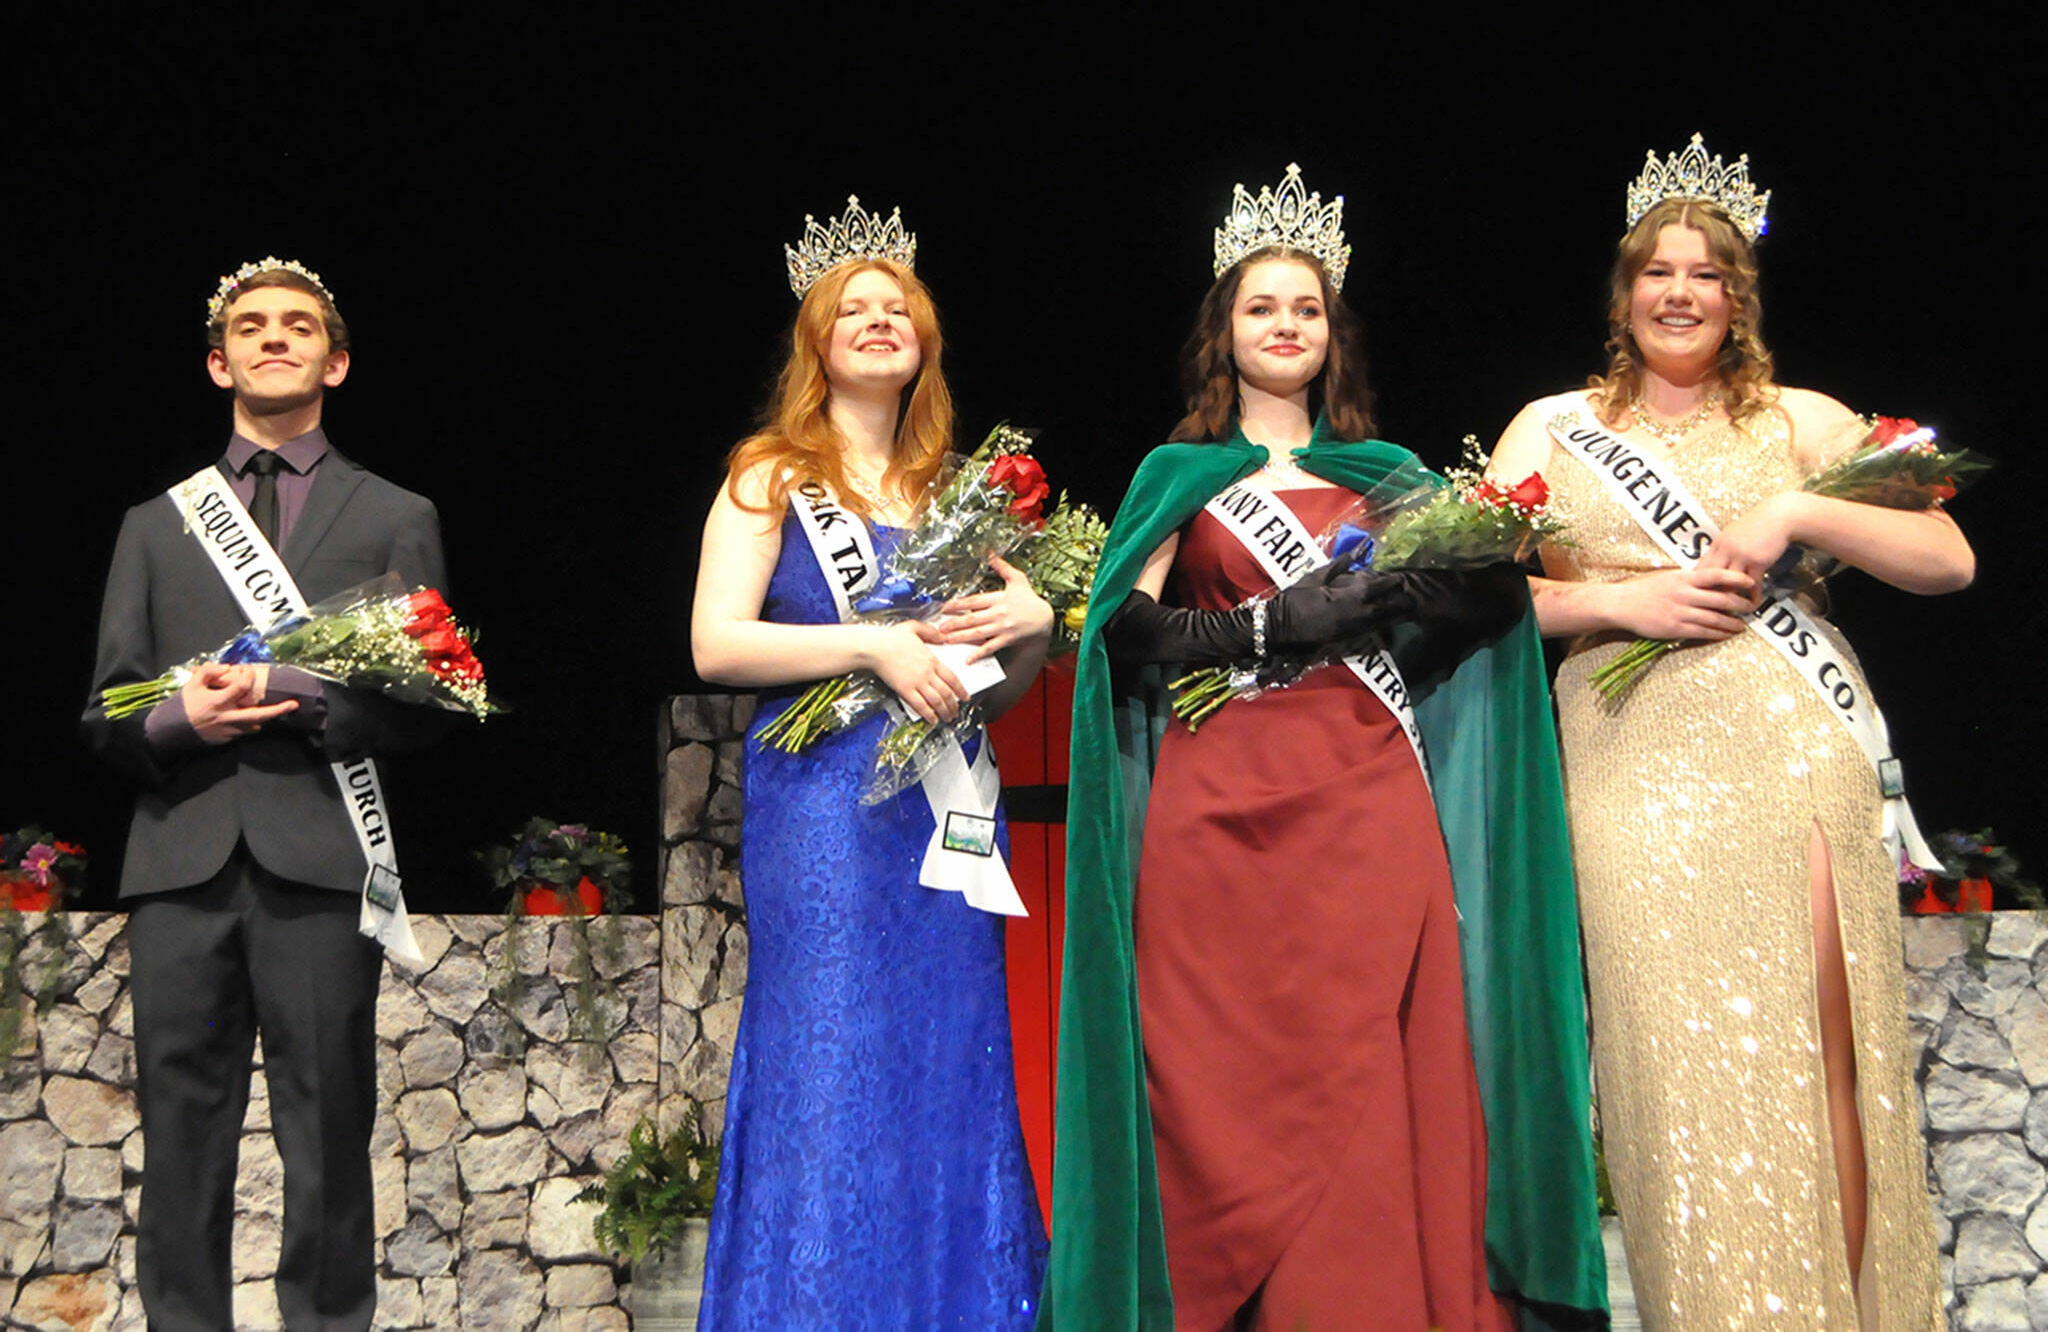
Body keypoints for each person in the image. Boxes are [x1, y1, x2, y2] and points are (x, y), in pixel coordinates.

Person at [1043, 165, 1606, 1331]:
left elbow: (1490, 614)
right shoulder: (1175, 476)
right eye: (1260, 307)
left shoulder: (1389, 478)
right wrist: (1264, 623)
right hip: (1219, 804)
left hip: (1364, 790)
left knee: (1371, 1060)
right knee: (1219, 1070)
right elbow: (1122, 630)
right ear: (1224, 332)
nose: (1284, 325)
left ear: (1330, 333)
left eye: (1305, 308)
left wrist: (1434, 585)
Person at [1489, 135, 1970, 1329]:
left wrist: (1798, 509)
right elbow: (1466, 601)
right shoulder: (1548, 426)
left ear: (1735, 297)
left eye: (1705, 273)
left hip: (1792, 742)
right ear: (1623, 292)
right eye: (1657, 270)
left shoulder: (1800, 421)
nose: (1679, 292)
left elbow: (1945, 560)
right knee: (1674, 1067)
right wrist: (1612, 600)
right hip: (1628, 759)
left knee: (1827, 1057)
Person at [690, 197, 1051, 1329]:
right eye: (855, 309)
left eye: (898, 308)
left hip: (940, 823)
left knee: (944, 1066)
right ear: (816, 341)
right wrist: (872, 642)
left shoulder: (957, 494)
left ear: (923, 343)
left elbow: (992, 683)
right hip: (825, 818)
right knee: (830, 1067)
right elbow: (714, 644)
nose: (879, 320)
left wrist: (1033, 626)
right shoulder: (768, 475)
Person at [81, 258, 449, 1329]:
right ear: (217, 360)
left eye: (297, 326)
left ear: (335, 360)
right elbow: (104, 711)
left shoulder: (396, 514)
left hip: (322, 866)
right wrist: (175, 719)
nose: (273, 339)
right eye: (251, 326)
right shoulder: (155, 525)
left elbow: (426, 705)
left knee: (329, 1135)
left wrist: (298, 694)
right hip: (181, 867)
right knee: (182, 1137)